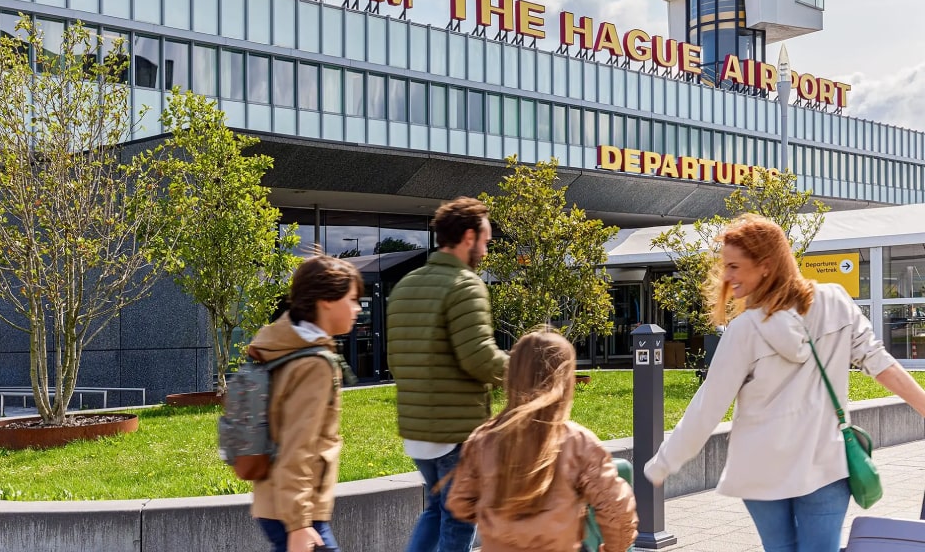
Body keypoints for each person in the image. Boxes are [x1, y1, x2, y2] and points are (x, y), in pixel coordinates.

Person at [644, 214, 925, 551]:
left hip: (762, 472)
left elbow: (708, 408)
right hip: (826, 466)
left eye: (734, 266)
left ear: (765, 265)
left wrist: (662, 465)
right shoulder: (835, 302)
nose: (727, 276)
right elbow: (881, 365)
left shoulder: (745, 330)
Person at [387, 196, 509, 552]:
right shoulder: (465, 285)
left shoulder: (406, 285)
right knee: (459, 520)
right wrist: (528, 369)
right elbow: (480, 359)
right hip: (454, 432)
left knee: (438, 510)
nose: (486, 250)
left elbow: (396, 359)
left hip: (416, 430)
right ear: (468, 237)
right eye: (485, 241)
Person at [446, 331, 638, 552]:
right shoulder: (578, 443)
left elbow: (460, 503)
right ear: (565, 380)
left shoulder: (483, 439)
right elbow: (618, 512)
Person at [250, 254, 363, 552]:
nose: (358, 308)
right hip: (296, 510)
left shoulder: (285, 342)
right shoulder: (314, 364)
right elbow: (297, 448)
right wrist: (299, 524)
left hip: (275, 500)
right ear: (326, 300)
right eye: (352, 299)